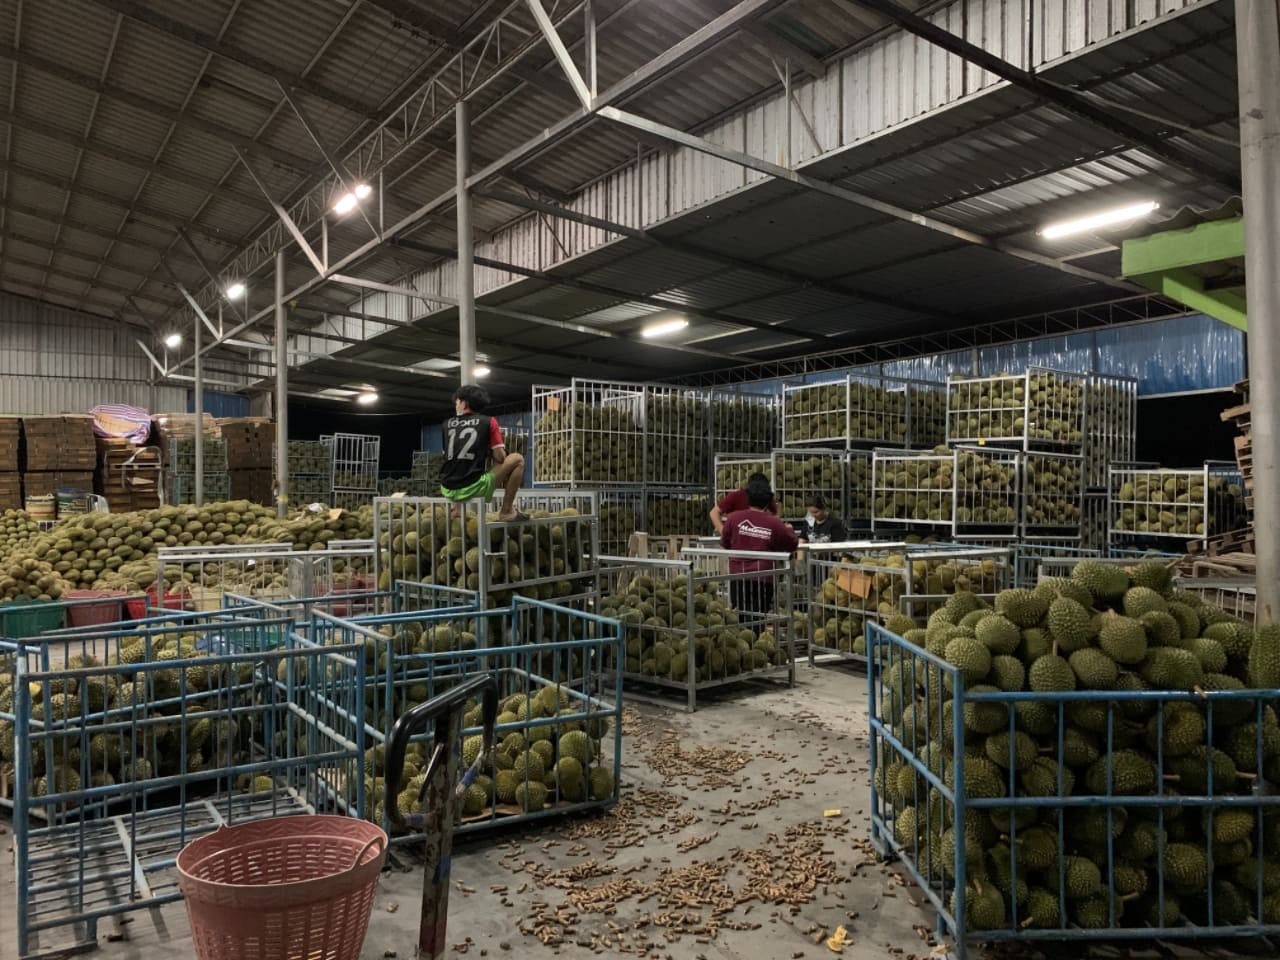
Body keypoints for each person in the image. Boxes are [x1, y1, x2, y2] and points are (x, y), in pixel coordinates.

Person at [439, 384, 528, 521]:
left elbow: (449, 456)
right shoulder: (489, 422)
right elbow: (500, 457)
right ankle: (507, 511)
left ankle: (456, 509)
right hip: (473, 488)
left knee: (458, 465)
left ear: (464, 403)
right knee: (517, 459)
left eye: (457, 402)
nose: (456, 405)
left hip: (446, 488)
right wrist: (491, 446)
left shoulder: (446, 424)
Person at [719, 475, 799, 622]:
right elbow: (792, 543)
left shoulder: (733, 518)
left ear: (748, 498)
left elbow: (725, 542)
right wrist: (789, 529)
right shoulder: (774, 523)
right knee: (759, 616)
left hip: (737, 574)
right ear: (768, 501)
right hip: (763, 576)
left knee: (739, 614)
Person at [709, 471, 779, 534]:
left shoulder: (767, 497)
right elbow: (714, 512)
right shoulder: (737, 496)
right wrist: (723, 532)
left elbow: (775, 516)